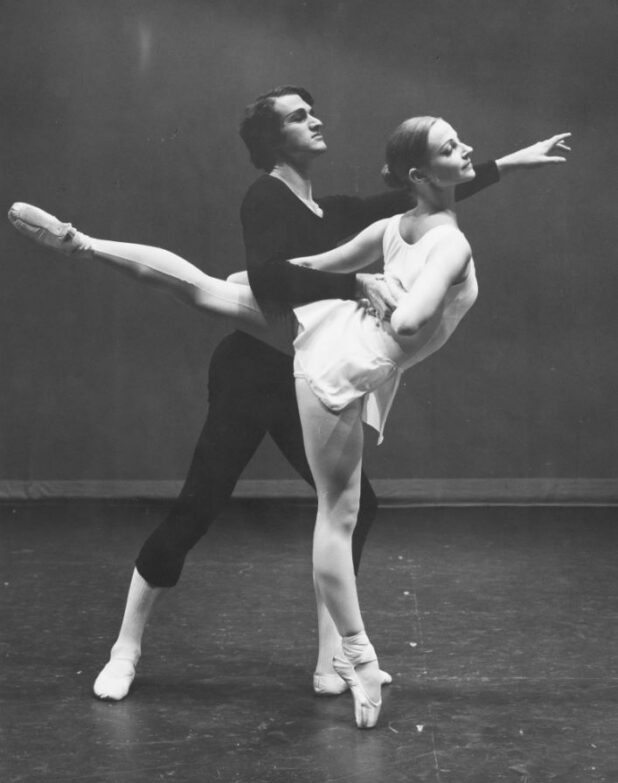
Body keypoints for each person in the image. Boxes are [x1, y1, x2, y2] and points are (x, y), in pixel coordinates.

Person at [8, 106, 570, 726]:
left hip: (311, 364)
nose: (317, 120)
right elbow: (272, 279)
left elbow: (428, 189)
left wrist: (511, 162)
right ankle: (125, 649)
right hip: (261, 368)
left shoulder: (336, 211)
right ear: (275, 139)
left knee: (350, 510)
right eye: (301, 116)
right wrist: (357, 287)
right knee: (200, 502)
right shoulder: (265, 197)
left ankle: (334, 659)